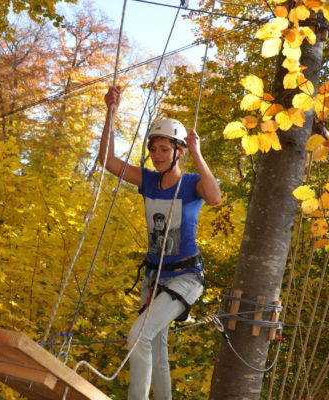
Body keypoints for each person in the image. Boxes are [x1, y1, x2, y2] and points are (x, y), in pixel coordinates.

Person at [99, 86, 221, 400]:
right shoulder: (148, 180)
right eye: (154, 149)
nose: (157, 155)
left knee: (138, 334)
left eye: (164, 149)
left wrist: (197, 153)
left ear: (178, 152)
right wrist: (110, 112)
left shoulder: (192, 183)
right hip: (154, 277)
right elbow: (107, 161)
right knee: (154, 344)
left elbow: (215, 197)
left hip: (185, 277)